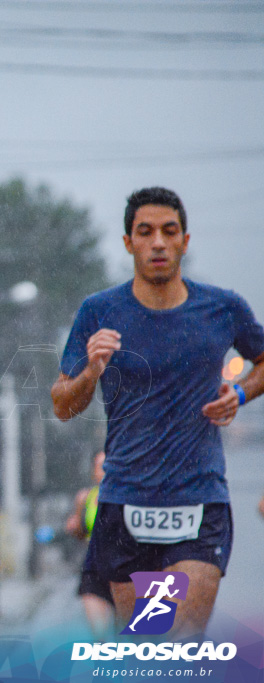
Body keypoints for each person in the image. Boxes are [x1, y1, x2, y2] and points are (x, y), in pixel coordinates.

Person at [51, 187, 264, 637]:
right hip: (125, 501)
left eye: (169, 232)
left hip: (198, 499)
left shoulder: (221, 308)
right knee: (145, 647)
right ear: (129, 243)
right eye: (145, 233)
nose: (159, 243)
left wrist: (240, 394)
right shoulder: (100, 311)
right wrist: (92, 370)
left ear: (185, 240)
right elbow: (63, 405)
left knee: (179, 642)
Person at [64, 450, 114, 637]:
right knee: (100, 635)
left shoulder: (131, 495)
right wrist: (74, 527)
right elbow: (79, 530)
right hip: (95, 566)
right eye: (99, 466)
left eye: (106, 465)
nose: (103, 470)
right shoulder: (85, 497)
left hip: (127, 565)